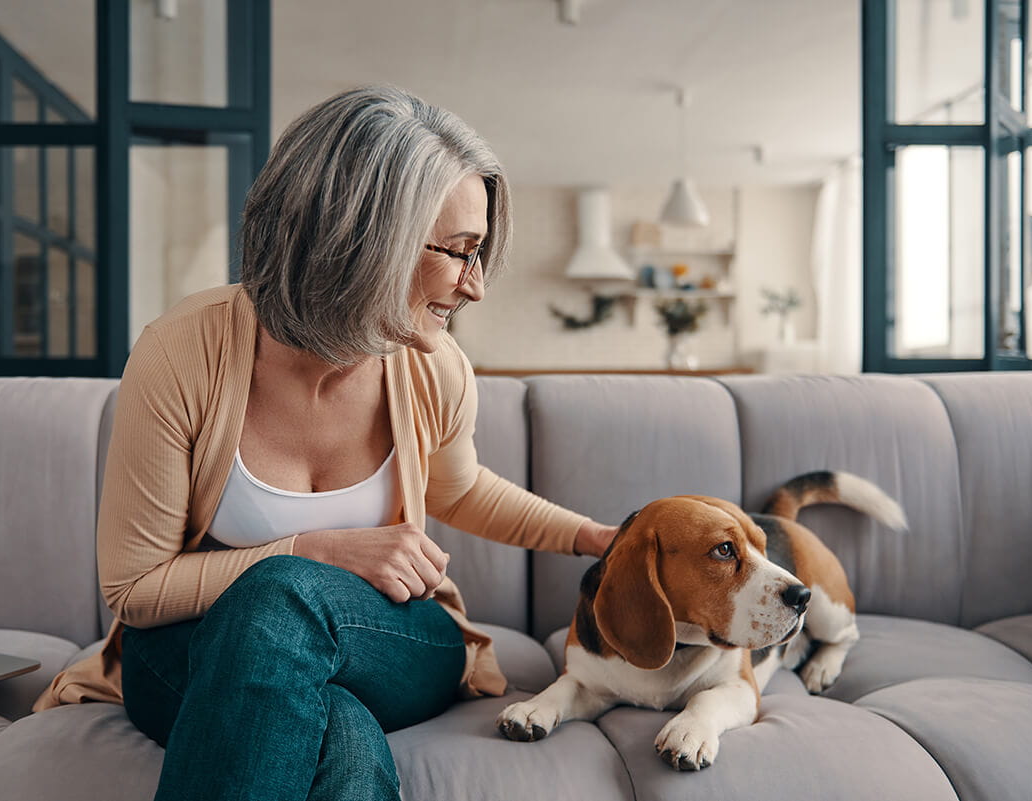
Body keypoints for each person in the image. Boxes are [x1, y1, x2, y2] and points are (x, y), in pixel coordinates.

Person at [33, 85, 618, 801]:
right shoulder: (183, 353)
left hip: (391, 637)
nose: (475, 287)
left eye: (480, 254)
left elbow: (458, 486)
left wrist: (593, 536)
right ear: (370, 237)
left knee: (279, 605)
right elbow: (135, 587)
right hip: (190, 644)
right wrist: (311, 550)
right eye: (461, 253)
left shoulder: (434, 367)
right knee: (334, 725)